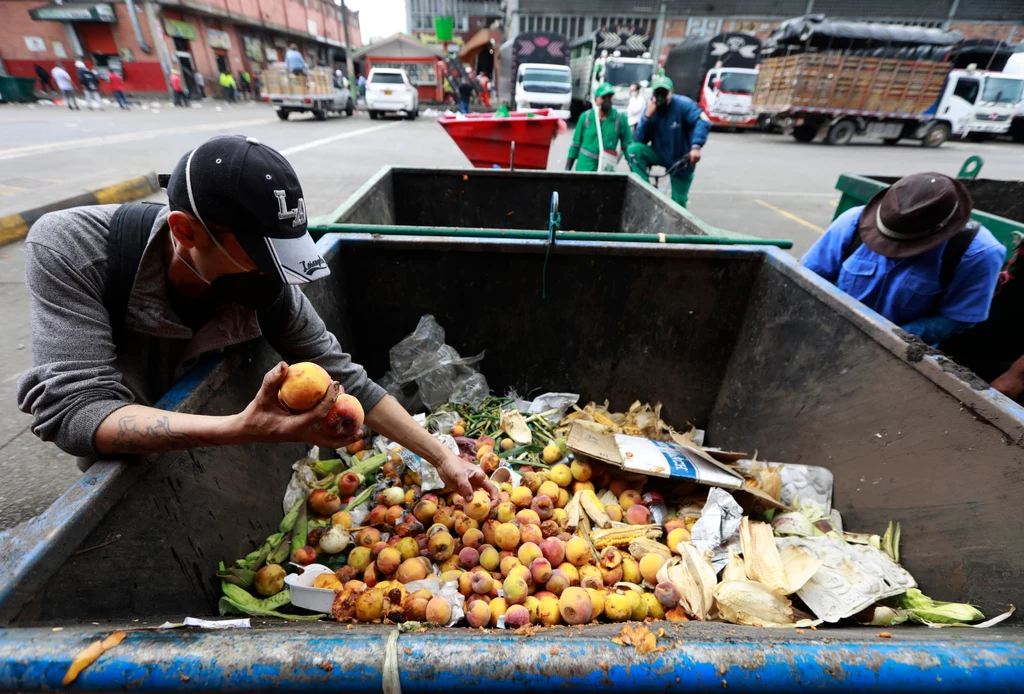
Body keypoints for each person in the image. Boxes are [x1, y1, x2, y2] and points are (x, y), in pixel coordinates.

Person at [15, 134, 495, 501]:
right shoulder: (73, 249)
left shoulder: (266, 288)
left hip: (201, 472)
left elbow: (347, 376)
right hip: (122, 468)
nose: (274, 281)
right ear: (186, 231)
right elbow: (78, 413)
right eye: (258, 260)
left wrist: (441, 456)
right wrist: (242, 428)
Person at [802, 172, 1004, 346]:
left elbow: (957, 317)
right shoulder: (853, 222)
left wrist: (890, 338)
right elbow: (810, 278)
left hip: (899, 353)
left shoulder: (978, 254)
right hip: (828, 331)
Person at [627, 75, 710, 208]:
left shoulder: (683, 105)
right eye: (657, 93)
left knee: (678, 204)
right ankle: (644, 192)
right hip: (660, 153)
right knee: (634, 150)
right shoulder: (651, 109)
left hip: (680, 159)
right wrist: (646, 118)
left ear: (672, 93)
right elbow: (640, 139)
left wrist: (696, 147)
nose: (660, 96)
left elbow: (702, 121)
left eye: (664, 93)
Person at [566, 82, 633, 172]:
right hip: (585, 167)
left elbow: (627, 146)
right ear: (596, 99)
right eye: (603, 98)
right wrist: (567, 170)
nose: (607, 101)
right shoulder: (585, 117)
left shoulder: (620, 119)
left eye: (609, 97)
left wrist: (634, 170)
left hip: (606, 168)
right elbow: (575, 144)